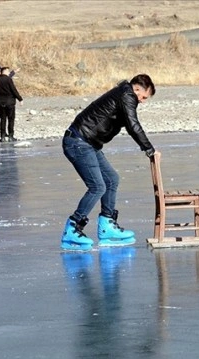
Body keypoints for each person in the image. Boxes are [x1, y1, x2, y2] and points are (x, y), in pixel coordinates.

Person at [61, 74, 156, 251]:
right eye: (143, 97)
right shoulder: (127, 95)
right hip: (78, 142)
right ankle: (73, 227)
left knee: (111, 179)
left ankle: (107, 226)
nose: (142, 101)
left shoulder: (124, 93)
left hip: (88, 143)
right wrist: (148, 148)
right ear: (136, 89)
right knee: (97, 186)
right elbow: (132, 124)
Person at [0, 67, 23, 142]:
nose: (9, 72)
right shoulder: (8, 79)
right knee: (11, 119)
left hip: (0, 102)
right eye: (8, 71)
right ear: (4, 71)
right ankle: (10, 136)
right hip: (9, 102)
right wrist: (20, 99)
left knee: (3, 119)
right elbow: (13, 90)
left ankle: (2, 136)